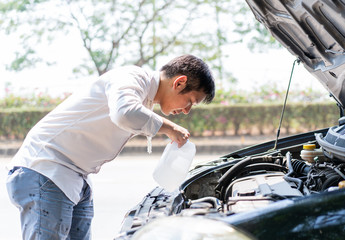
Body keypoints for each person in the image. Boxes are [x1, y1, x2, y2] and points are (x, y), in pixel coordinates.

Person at [6, 54, 215, 239]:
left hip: (74, 177)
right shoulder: (132, 77)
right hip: (46, 169)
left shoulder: (145, 97)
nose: (187, 110)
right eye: (190, 101)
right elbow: (124, 113)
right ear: (179, 83)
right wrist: (168, 127)